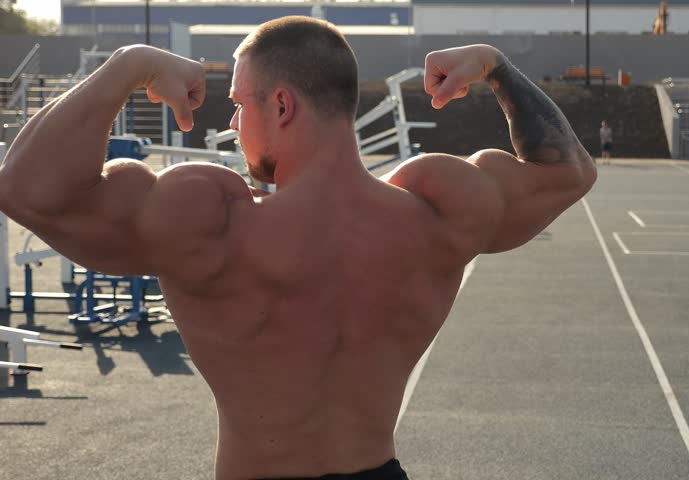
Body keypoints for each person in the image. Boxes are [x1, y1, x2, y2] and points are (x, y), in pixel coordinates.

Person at [0, 16, 596, 480]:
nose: (234, 121)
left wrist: (130, 66)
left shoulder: (209, 222)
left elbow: (25, 190)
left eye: (239, 102)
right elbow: (568, 171)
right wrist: (494, 67)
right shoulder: (437, 213)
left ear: (282, 105)